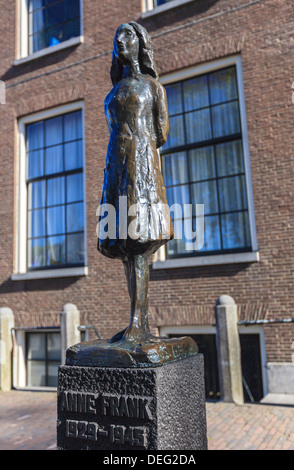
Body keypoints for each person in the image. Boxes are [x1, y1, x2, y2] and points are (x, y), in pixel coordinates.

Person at [97, 22, 174, 344]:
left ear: (142, 44)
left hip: (141, 166)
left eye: (128, 35)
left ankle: (138, 322)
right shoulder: (112, 93)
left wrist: (138, 154)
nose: (120, 41)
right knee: (126, 249)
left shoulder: (153, 87)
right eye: (118, 38)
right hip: (116, 167)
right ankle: (135, 321)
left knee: (140, 244)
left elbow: (162, 131)